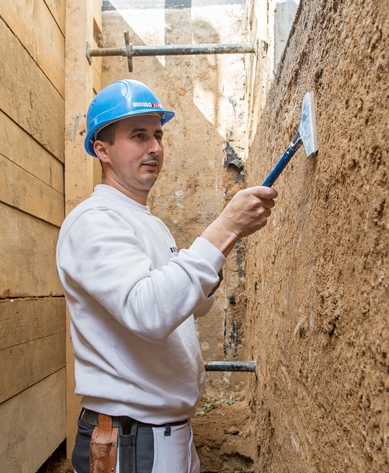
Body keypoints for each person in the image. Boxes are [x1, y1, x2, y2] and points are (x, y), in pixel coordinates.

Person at [56, 79, 277, 473]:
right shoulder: (93, 222)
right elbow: (150, 312)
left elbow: (191, 305)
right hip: (131, 443)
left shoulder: (149, 224)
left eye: (157, 135)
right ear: (102, 150)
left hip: (164, 437)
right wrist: (224, 229)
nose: (154, 147)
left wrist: (218, 247)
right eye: (138, 136)